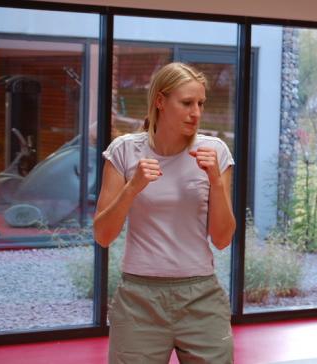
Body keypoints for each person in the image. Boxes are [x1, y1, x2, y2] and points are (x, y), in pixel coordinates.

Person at [93, 62, 236, 364]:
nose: (196, 112)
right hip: (138, 298)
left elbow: (222, 239)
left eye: (200, 103)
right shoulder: (124, 151)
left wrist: (215, 182)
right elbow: (103, 235)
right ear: (160, 101)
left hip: (201, 296)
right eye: (186, 103)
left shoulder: (215, 152)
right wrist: (133, 187)